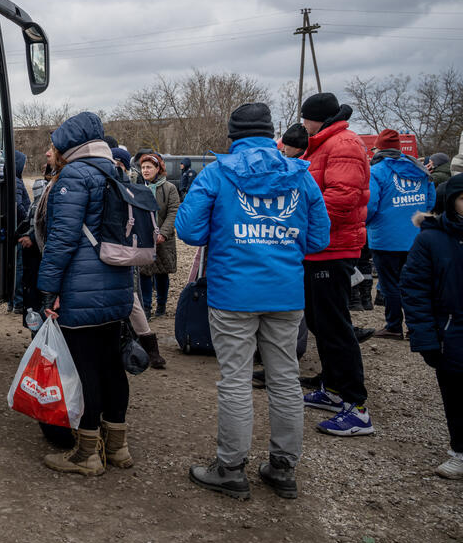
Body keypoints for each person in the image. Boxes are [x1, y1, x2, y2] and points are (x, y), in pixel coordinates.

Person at [178, 103, 330, 500]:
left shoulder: (218, 172)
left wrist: (230, 230)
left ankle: (230, 469)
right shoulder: (300, 175)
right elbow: (318, 240)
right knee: (284, 380)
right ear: (271, 133)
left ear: (233, 135)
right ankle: (282, 468)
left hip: (232, 294)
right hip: (285, 293)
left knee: (235, 380)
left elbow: (189, 230)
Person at [37, 112, 134, 475]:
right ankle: (118, 447)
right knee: (112, 363)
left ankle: (87, 454)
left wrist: (48, 288)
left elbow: (62, 240)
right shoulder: (117, 172)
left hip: (81, 287)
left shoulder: (75, 175)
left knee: (84, 368)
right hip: (118, 284)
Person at [297, 92, 374, 437]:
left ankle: (357, 407)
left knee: (336, 326)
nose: (302, 124)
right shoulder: (325, 143)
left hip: (334, 248)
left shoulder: (343, 144)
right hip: (318, 248)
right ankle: (330, 388)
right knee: (319, 321)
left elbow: (342, 198)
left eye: (305, 118)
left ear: (319, 119)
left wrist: (298, 219)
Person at [400, 173, 463, 479]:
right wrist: (425, 338)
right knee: (456, 394)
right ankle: (460, 449)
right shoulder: (430, 239)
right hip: (451, 332)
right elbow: (414, 290)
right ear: (450, 202)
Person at [367, 129, 436, 340]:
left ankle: (394, 326)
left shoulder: (377, 170)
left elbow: (370, 205)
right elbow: (430, 201)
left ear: (379, 147)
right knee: (415, 284)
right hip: (416, 237)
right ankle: (418, 328)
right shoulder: (419, 168)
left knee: (390, 285)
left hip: (385, 238)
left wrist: (367, 223)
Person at [113, 147, 166, 368]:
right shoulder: (111, 183)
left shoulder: (130, 187)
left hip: (125, 248)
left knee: (132, 299)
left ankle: (148, 346)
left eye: (117, 161)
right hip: (112, 248)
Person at [138, 151, 179, 318]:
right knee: (144, 272)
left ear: (158, 168)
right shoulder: (140, 189)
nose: (145, 170)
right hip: (145, 238)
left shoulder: (169, 188)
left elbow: (173, 211)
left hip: (164, 239)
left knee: (161, 272)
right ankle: (146, 307)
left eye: (149, 167)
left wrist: (163, 233)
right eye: (143, 167)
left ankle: (161, 305)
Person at [8, 150, 31, 315]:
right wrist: (27, 217)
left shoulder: (13, 180)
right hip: (21, 229)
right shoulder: (16, 181)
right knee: (20, 267)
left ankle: (12, 301)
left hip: (16, 228)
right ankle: (18, 302)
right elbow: (17, 205)